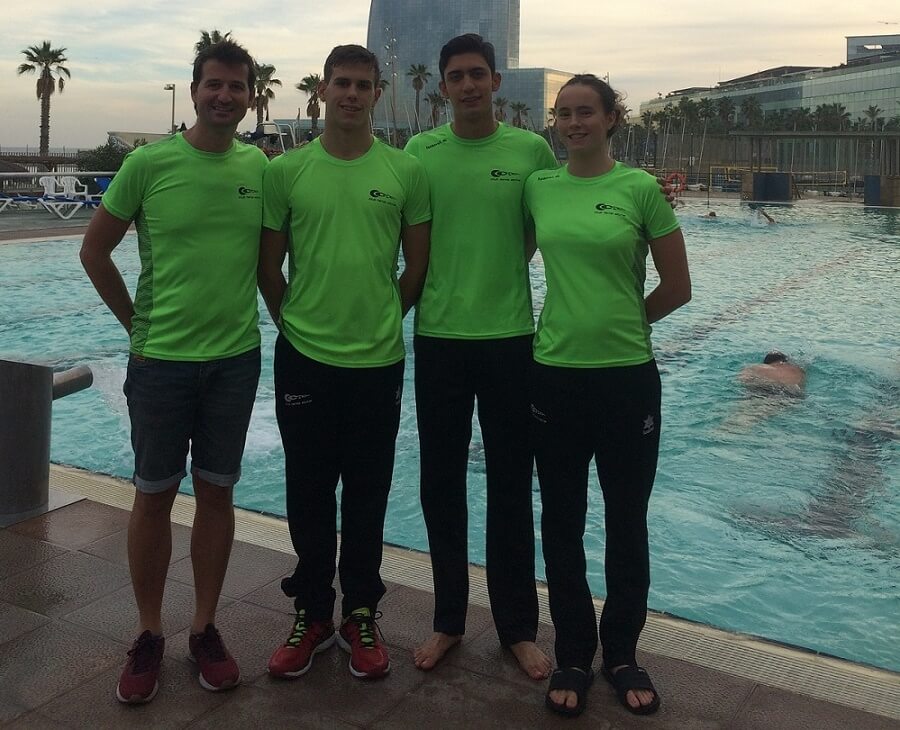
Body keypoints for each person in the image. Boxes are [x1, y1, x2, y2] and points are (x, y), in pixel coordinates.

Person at [79, 40, 267, 704]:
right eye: (213, 85)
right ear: (194, 91)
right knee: (153, 494)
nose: (224, 96)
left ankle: (205, 627)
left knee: (217, 493)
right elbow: (94, 250)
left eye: (236, 87)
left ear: (250, 95)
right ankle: (151, 631)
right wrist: (136, 326)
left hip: (235, 361)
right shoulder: (148, 163)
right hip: (161, 363)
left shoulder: (259, 167)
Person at [259, 44, 431, 682]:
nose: (351, 95)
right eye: (341, 84)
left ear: (377, 94)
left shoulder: (405, 170)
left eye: (363, 85)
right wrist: (294, 325)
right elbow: (267, 267)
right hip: (303, 357)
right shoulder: (289, 171)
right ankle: (311, 612)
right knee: (306, 492)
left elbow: (416, 266)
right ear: (322, 92)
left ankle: (362, 612)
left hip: (377, 361)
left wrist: (388, 317)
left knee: (367, 494)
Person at [524, 74, 691, 717]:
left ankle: (620, 651)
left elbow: (677, 287)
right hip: (554, 373)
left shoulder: (640, 189)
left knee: (627, 519)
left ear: (611, 117)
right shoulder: (540, 187)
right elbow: (506, 252)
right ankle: (572, 651)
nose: (573, 123)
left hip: (626, 378)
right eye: (564, 114)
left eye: (585, 112)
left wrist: (626, 322)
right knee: (561, 521)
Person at [404, 33, 557, 680]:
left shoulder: (530, 150)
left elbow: (532, 232)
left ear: (496, 82)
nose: (467, 85)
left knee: (509, 487)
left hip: (509, 341)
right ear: (443, 87)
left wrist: (493, 282)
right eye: (456, 76)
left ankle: (518, 627)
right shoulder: (420, 152)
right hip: (438, 339)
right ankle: (448, 621)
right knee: (440, 485)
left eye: (477, 75)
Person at [739, 351, 805, 394]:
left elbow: (743, 380)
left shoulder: (755, 367)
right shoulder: (798, 369)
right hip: (791, 394)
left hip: (763, 390)